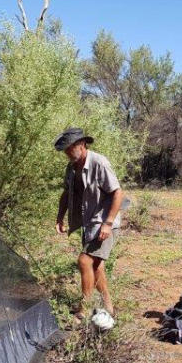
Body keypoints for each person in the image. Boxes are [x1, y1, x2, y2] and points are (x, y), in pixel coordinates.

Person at [54, 127, 124, 324]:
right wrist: (60, 217)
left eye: (70, 148)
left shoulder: (99, 162)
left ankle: (84, 309)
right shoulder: (72, 168)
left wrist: (108, 223)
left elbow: (118, 193)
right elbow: (67, 194)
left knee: (85, 261)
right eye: (65, 150)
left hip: (104, 222)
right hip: (89, 223)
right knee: (97, 266)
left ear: (82, 144)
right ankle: (109, 307)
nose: (68, 153)